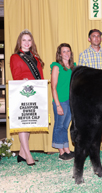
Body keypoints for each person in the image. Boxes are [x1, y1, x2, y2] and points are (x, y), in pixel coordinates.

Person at [79, 29, 102, 156]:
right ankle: (91, 146)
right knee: (91, 120)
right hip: (90, 93)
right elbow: (82, 76)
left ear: (101, 38)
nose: (96, 38)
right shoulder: (83, 55)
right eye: (93, 36)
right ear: (89, 39)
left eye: (98, 36)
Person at [10, 29, 45, 166]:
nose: (26, 42)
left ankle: (22, 154)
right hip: (22, 92)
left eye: (29, 40)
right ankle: (28, 156)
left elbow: (40, 76)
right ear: (20, 41)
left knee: (29, 121)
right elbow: (15, 75)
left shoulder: (35, 57)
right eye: (24, 40)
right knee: (24, 122)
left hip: (35, 93)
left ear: (32, 43)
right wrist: (22, 79)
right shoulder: (15, 57)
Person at [51, 43, 76, 161]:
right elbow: (53, 87)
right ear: (60, 54)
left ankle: (66, 149)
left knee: (65, 126)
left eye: (68, 51)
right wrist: (57, 105)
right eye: (64, 51)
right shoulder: (56, 67)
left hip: (70, 100)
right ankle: (61, 152)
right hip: (60, 100)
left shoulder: (73, 67)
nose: (66, 53)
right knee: (59, 126)